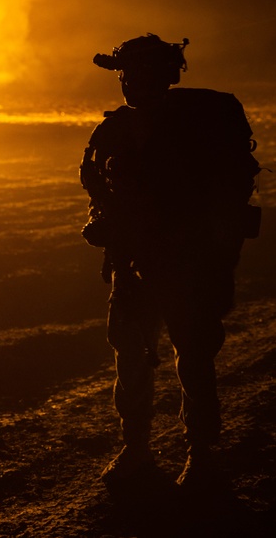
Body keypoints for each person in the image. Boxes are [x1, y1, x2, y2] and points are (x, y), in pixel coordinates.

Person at [79, 33, 261, 491]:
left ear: (164, 76)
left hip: (186, 267)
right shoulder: (113, 130)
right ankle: (136, 450)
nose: (129, 82)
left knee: (193, 361)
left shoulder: (198, 127)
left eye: (139, 73)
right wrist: (103, 224)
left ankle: (200, 455)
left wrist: (208, 258)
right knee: (131, 360)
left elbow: (227, 196)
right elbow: (102, 190)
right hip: (133, 266)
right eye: (125, 74)